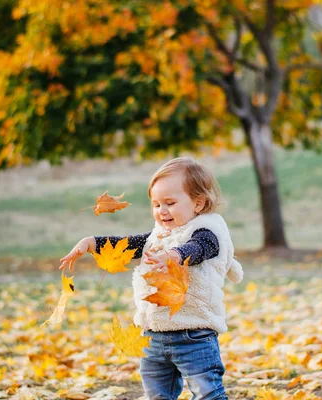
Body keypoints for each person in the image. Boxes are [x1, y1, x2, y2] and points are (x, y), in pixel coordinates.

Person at [59, 157, 244, 400]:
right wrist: (92, 243)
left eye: (170, 203)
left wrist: (173, 255)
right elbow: (129, 244)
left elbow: (197, 249)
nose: (162, 211)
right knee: (156, 395)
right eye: (156, 204)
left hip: (194, 335)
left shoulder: (208, 232)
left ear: (198, 203)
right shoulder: (158, 236)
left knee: (208, 393)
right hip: (154, 335)